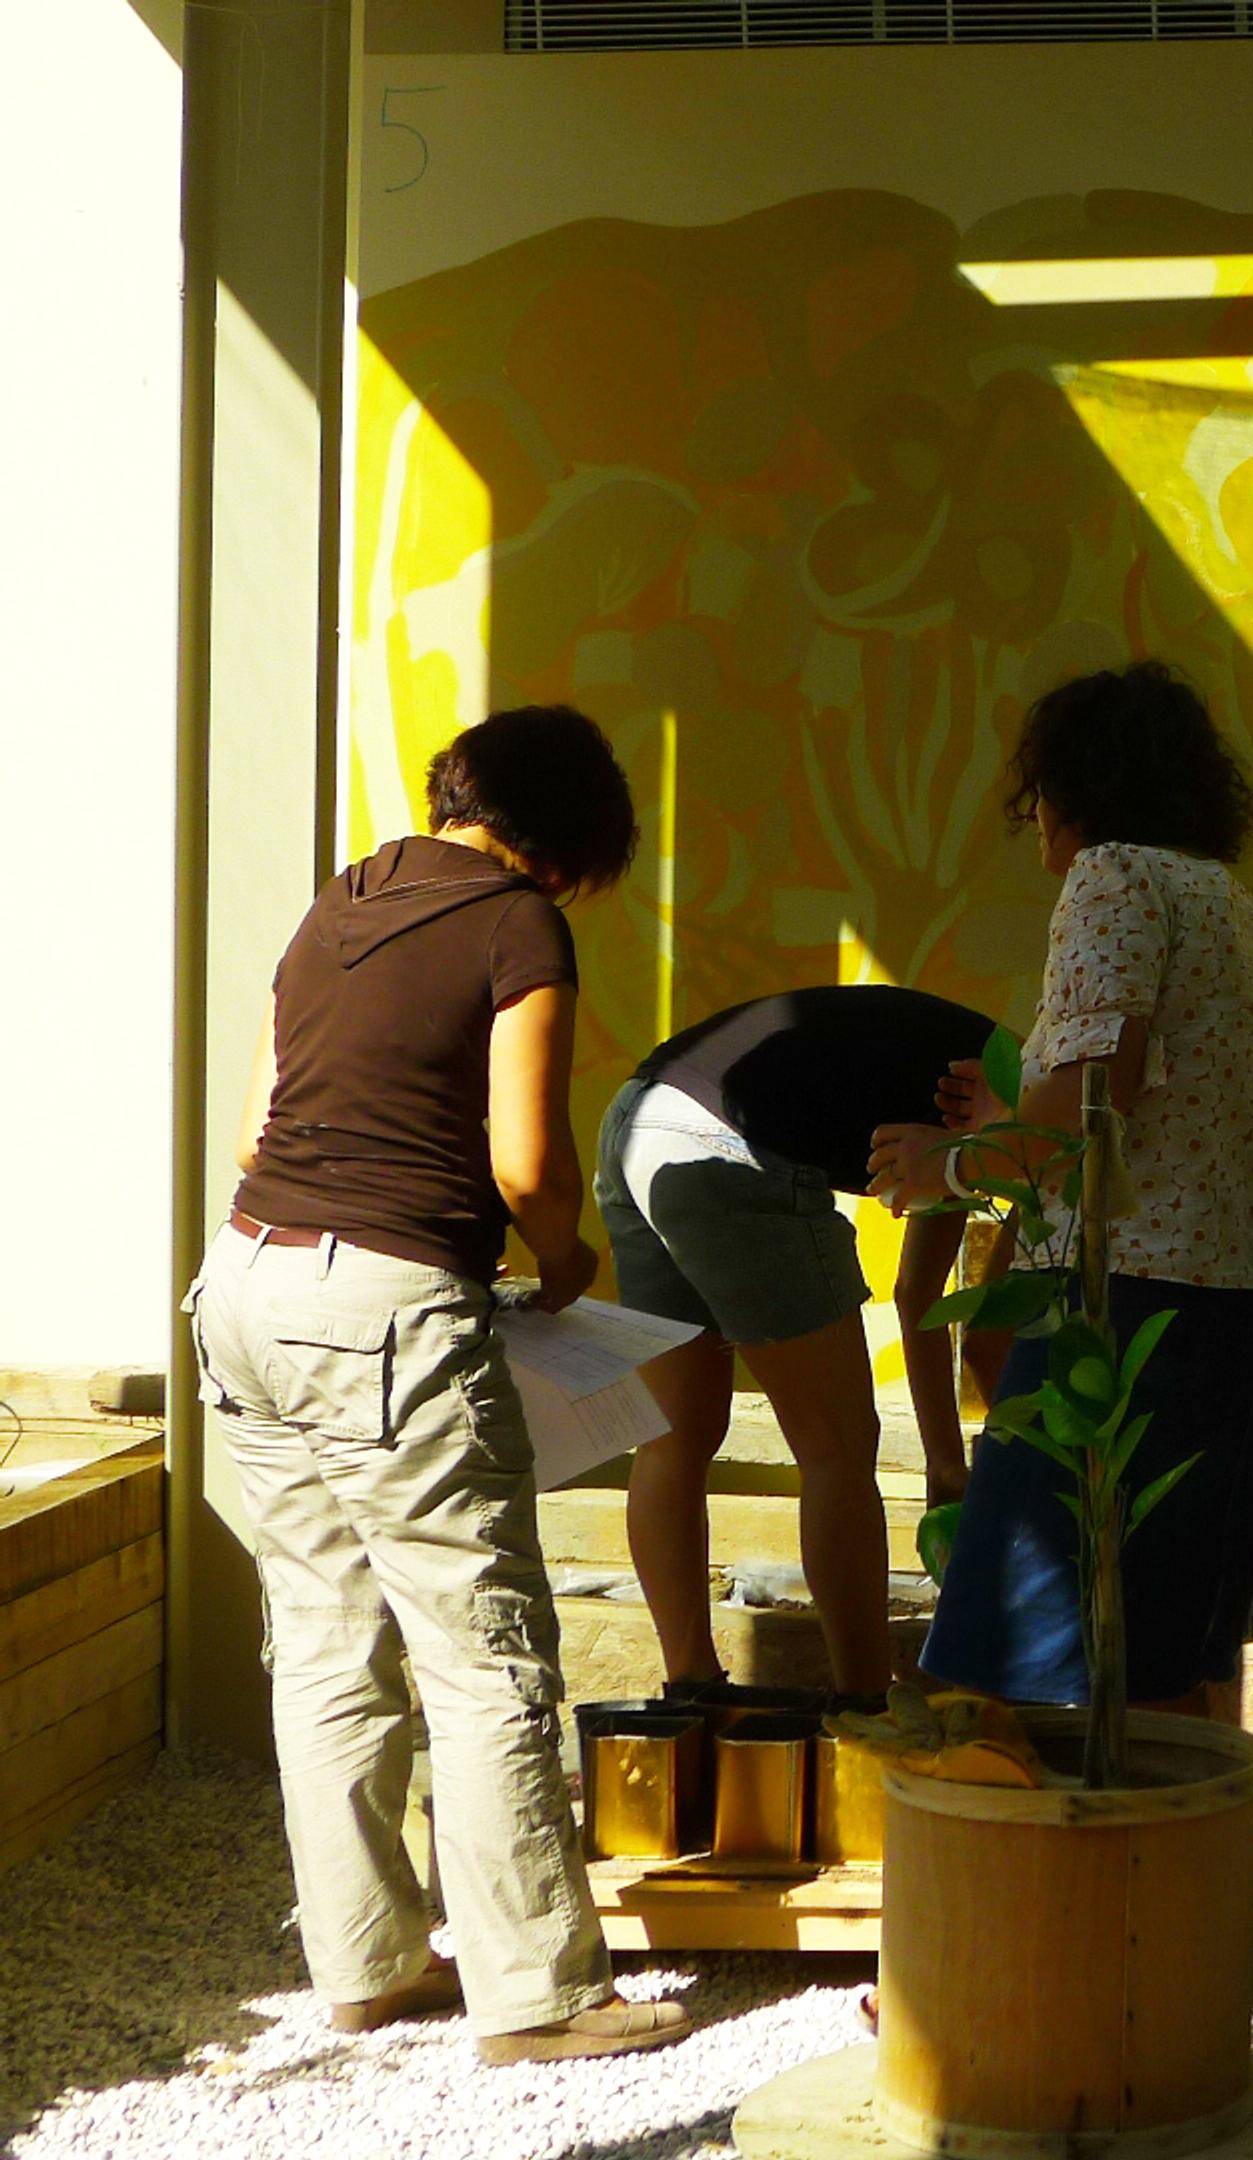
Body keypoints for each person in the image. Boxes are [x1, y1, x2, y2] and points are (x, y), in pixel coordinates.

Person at [192, 705, 695, 2063]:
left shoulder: (338, 900)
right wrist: (566, 1259)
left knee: (323, 1638)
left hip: (243, 1285)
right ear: (570, 842)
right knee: (485, 1651)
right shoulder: (516, 921)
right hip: (382, 1309)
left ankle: (367, 1967)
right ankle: (538, 1997)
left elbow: (252, 1131)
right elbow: (527, 1163)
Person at [869, 662, 1253, 1720]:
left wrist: (950, 1164)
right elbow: (1153, 1100)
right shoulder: (1234, 908)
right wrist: (1011, 1109)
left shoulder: (1112, 877)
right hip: (1248, 1312)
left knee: (1016, 1675)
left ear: (1068, 792)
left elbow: (1094, 1100)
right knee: (1162, 1666)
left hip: (1128, 1308)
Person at [600, 985, 997, 1701]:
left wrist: (945, 1463)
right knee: (836, 1447)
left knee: (673, 1438)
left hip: (638, 1119)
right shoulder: (1007, 1101)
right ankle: (867, 1705)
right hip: (728, 1147)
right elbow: (955, 1313)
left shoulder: (984, 1071)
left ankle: (693, 1691)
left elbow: (920, 1295)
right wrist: (957, 1463)